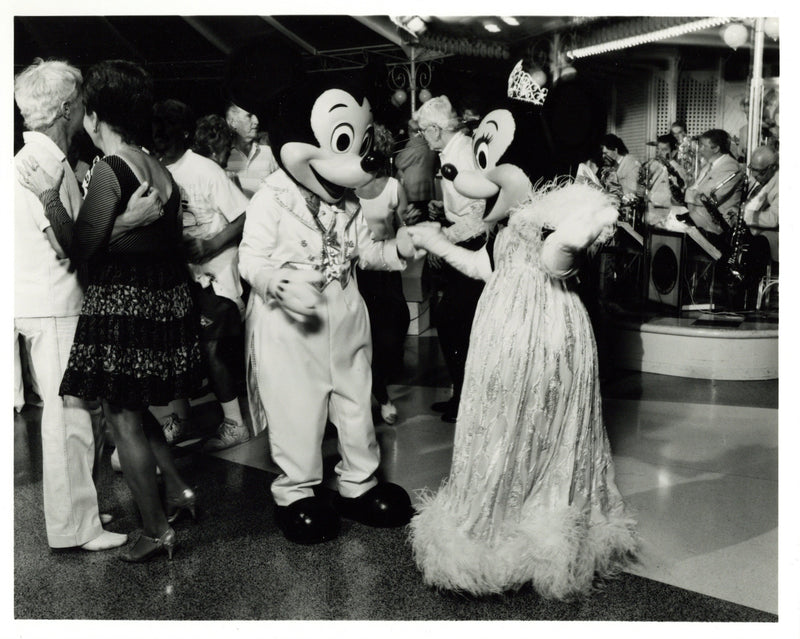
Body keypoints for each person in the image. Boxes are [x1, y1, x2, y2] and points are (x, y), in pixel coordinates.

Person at [405, 83, 637, 598]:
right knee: (498, 423)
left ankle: (539, 530)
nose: (475, 173)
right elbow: (483, 267)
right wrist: (436, 241)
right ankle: (497, 524)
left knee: (544, 422)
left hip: (549, 331)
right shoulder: (509, 221)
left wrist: (572, 237)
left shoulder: (553, 219)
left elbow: (559, 263)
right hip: (501, 327)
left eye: (490, 159)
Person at [20, 60, 203, 563]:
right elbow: (156, 242)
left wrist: (47, 199)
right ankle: (182, 491)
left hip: (123, 306)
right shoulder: (158, 167)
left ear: (96, 116)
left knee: (122, 420)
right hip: (161, 302)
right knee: (138, 410)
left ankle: (155, 529)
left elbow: (79, 248)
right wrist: (127, 223)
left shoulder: (110, 168)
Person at [152, 99, 251, 451]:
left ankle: (236, 423)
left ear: (184, 134)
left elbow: (245, 215)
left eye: (167, 133)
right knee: (178, 350)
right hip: (181, 278)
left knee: (212, 350)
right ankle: (178, 419)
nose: (160, 140)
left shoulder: (205, 170)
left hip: (217, 275)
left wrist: (212, 244)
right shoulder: (153, 168)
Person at [414, 95, 487, 423]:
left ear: (434, 128)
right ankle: (460, 394)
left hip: (472, 248)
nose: (421, 137)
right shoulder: (452, 151)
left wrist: (442, 241)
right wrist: (442, 212)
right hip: (464, 244)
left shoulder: (463, 154)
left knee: (456, 324)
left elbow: (479, 212)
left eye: (423, 131)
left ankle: (466, 399)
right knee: (454, 324)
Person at [354, 124, 412, 425]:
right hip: (357, 271)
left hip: (387, 269)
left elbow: (404, 227)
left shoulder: (393, 187)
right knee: (362, 336)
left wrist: (410, 226)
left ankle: (379, 387)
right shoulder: (348, 188)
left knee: (393, 331)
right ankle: (379, 396)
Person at [682, 128, 743, 241]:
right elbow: (696, 191)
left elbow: (708, 198)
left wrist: (686, 194)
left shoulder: (730, 167)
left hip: (715, 229)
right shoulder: (708, 166)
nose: (700, 150)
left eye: (703, 146)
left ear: (716, 149)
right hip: (699, 221)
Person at [224, 102, 278, 198]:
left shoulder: (268, 152)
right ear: (233, 123)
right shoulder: (223, 156)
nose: (256, 121)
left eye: (255, 116)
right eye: (249, 116)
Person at [742, 145, 779, 268]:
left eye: (760, 172)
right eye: (752, 169)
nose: (754, 175)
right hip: (756, 231)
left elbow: (774, 219)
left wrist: (744, 215)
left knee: (755, 249)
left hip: (773, 238)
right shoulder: (763, 178)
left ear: (773, 167)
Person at [643, 133, 689, 227]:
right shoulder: (655, 167)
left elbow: (677, 198)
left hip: (667, 221)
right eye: (658, 149)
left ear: (674, 152)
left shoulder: (678, 171)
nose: (659, 153)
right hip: (651, 218)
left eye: (664, 150)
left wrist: (650, 196)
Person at [394, 118, 437, 215]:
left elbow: (399, 162)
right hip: (428, 192)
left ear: (409, 130)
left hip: (414, 194)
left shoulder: (414, 144)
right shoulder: (429, 143)